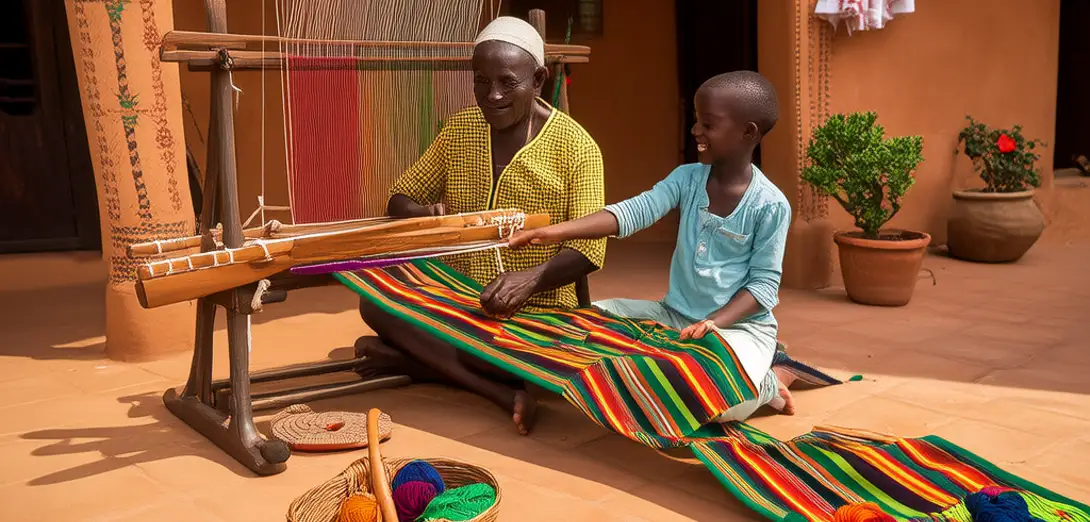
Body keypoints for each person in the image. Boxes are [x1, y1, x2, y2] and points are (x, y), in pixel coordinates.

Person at [354, 16, 606, 435]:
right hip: (461, 298)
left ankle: (423, 363)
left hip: (538, 312)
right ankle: (502, 389)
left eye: (508, 82)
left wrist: (529, 280)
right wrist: (425, 215)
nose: (493, 95)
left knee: (499, 352)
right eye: (481, 81)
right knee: (373, 302)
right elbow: (399, 198)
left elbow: (590, 250)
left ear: (539, 79)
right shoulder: (460, 130)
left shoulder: (576, 147)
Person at [508, 70, 799, 420]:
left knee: (720, 405)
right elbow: (634, 211)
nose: (695, 131)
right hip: (672, 316)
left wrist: (714, 322)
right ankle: (675, 363)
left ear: (748, 132)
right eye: (696, 120)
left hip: (738, 330)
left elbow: (764, 287)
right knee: (582, 326)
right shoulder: (687, 178)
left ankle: (768, 382)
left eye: (708, 124)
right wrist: (553, 232)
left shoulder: (770, 205)